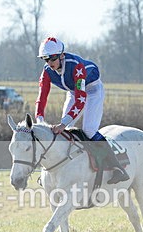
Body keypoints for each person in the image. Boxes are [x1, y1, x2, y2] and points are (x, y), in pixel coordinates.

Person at [34, 36, 129, 184]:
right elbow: (42, 98)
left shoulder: (76, 66)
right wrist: (39, 120)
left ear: (61, 55)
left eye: (52, 58)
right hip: (73, 92)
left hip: (92, 91)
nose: (49, 63)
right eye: (45, 60)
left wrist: (63, 123)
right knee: (65, 130)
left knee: (89, 130)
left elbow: (81, 100)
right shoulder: (47, 71)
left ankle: (117, 167)